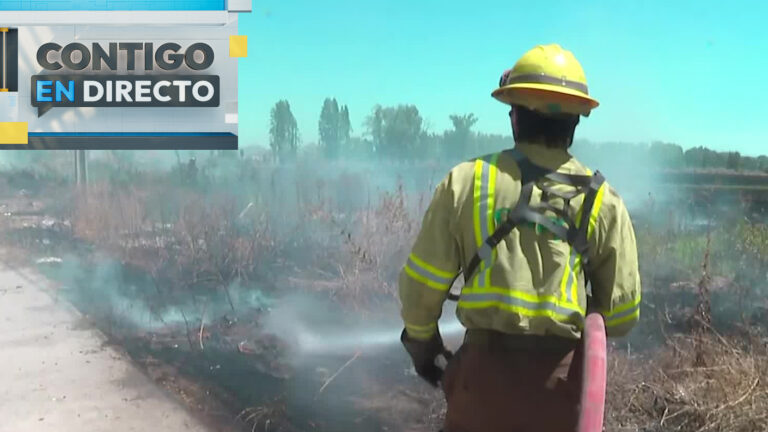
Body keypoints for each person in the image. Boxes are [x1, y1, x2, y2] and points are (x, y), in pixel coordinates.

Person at [398, 44, 642, 432]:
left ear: (514, 116)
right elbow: (623, 315)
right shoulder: (604, 200)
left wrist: (425, 350)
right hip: (561, 393)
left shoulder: (466, 181)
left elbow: (420, 290)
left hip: (478, 386)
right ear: (576, 121)